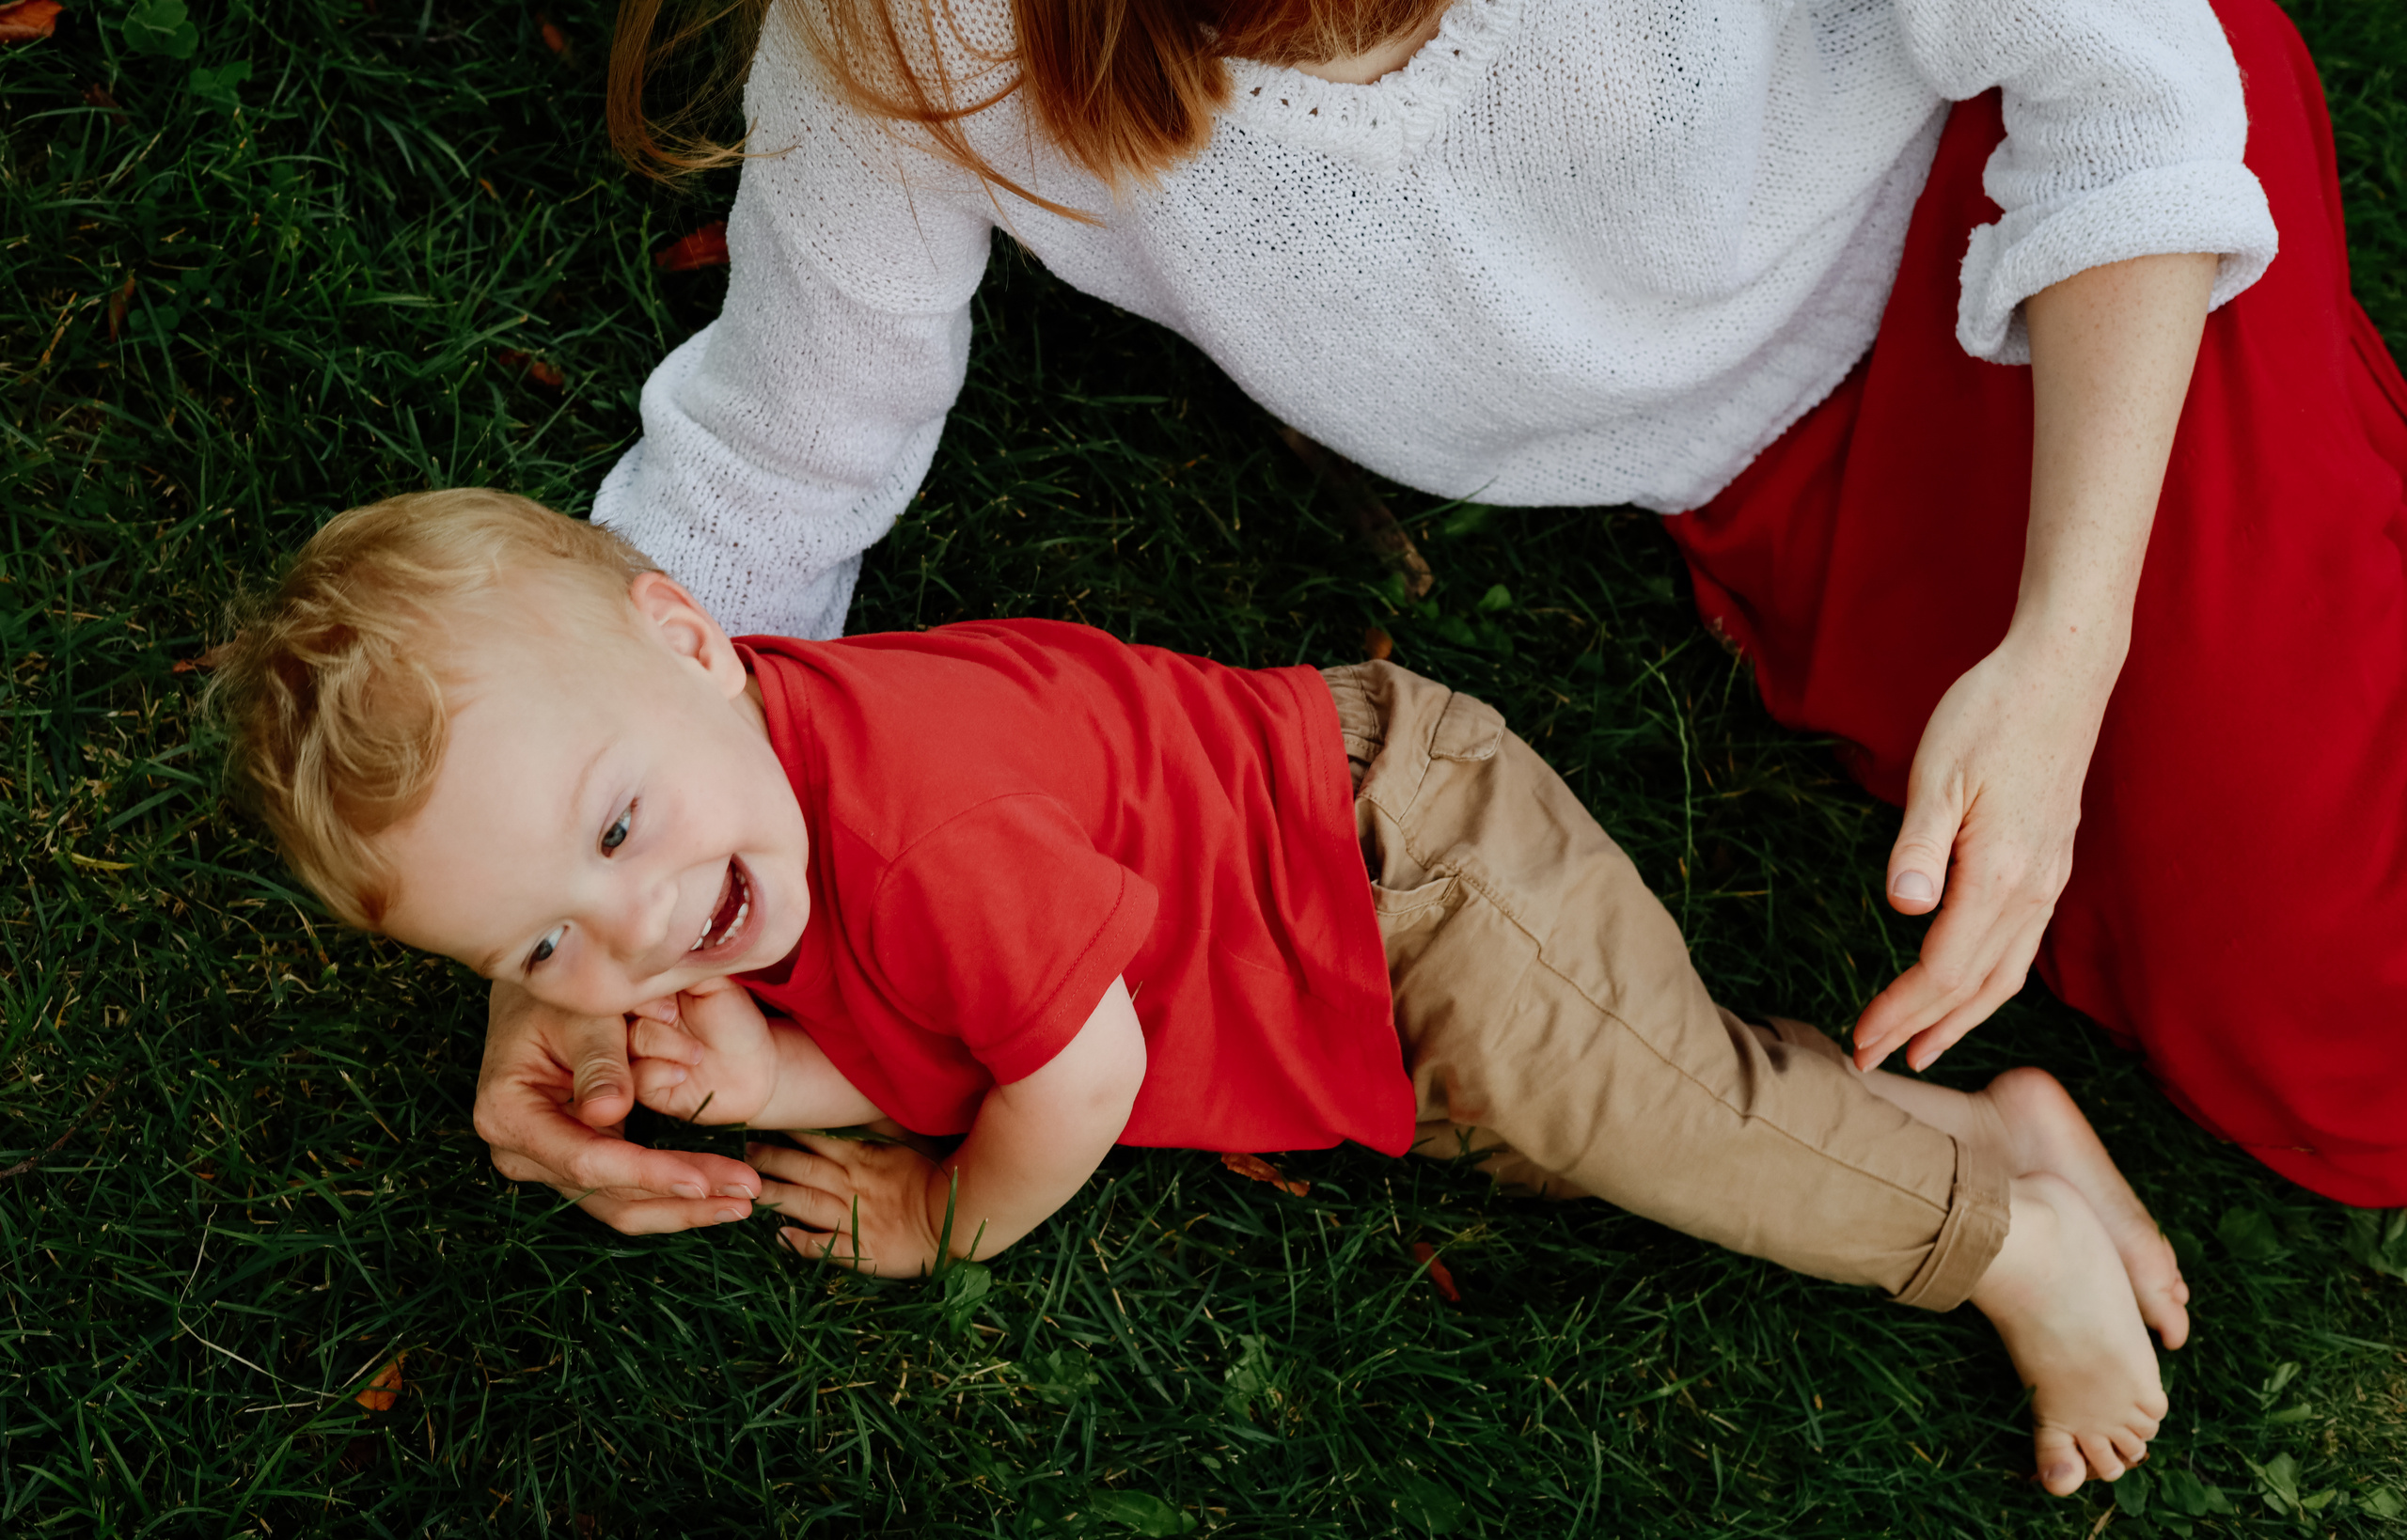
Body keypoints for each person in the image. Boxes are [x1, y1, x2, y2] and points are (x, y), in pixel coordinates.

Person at [511, 0, 2407, 1205]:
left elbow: (2126, 83)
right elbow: (778, 463)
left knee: (2346, 1024)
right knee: (2320, 1052)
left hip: (2060, 231)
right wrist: (570, 921)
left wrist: (2060, 664)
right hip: (1782, 481)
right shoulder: (926, 32)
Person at [215, 489, 2191, 1492]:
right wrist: (782, 1076)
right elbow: (933, 1006)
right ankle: (1982, 1127)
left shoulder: (912, 835)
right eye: (538, 946)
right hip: (1331, 955)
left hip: (1408, 886)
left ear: (693, 636)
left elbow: (1064, 1077)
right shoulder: (763, 803)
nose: (633, 934)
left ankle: (2003, 1247)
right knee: (1640, 1122)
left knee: (1651, 1121)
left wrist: (936, 1214)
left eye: (618, 829)